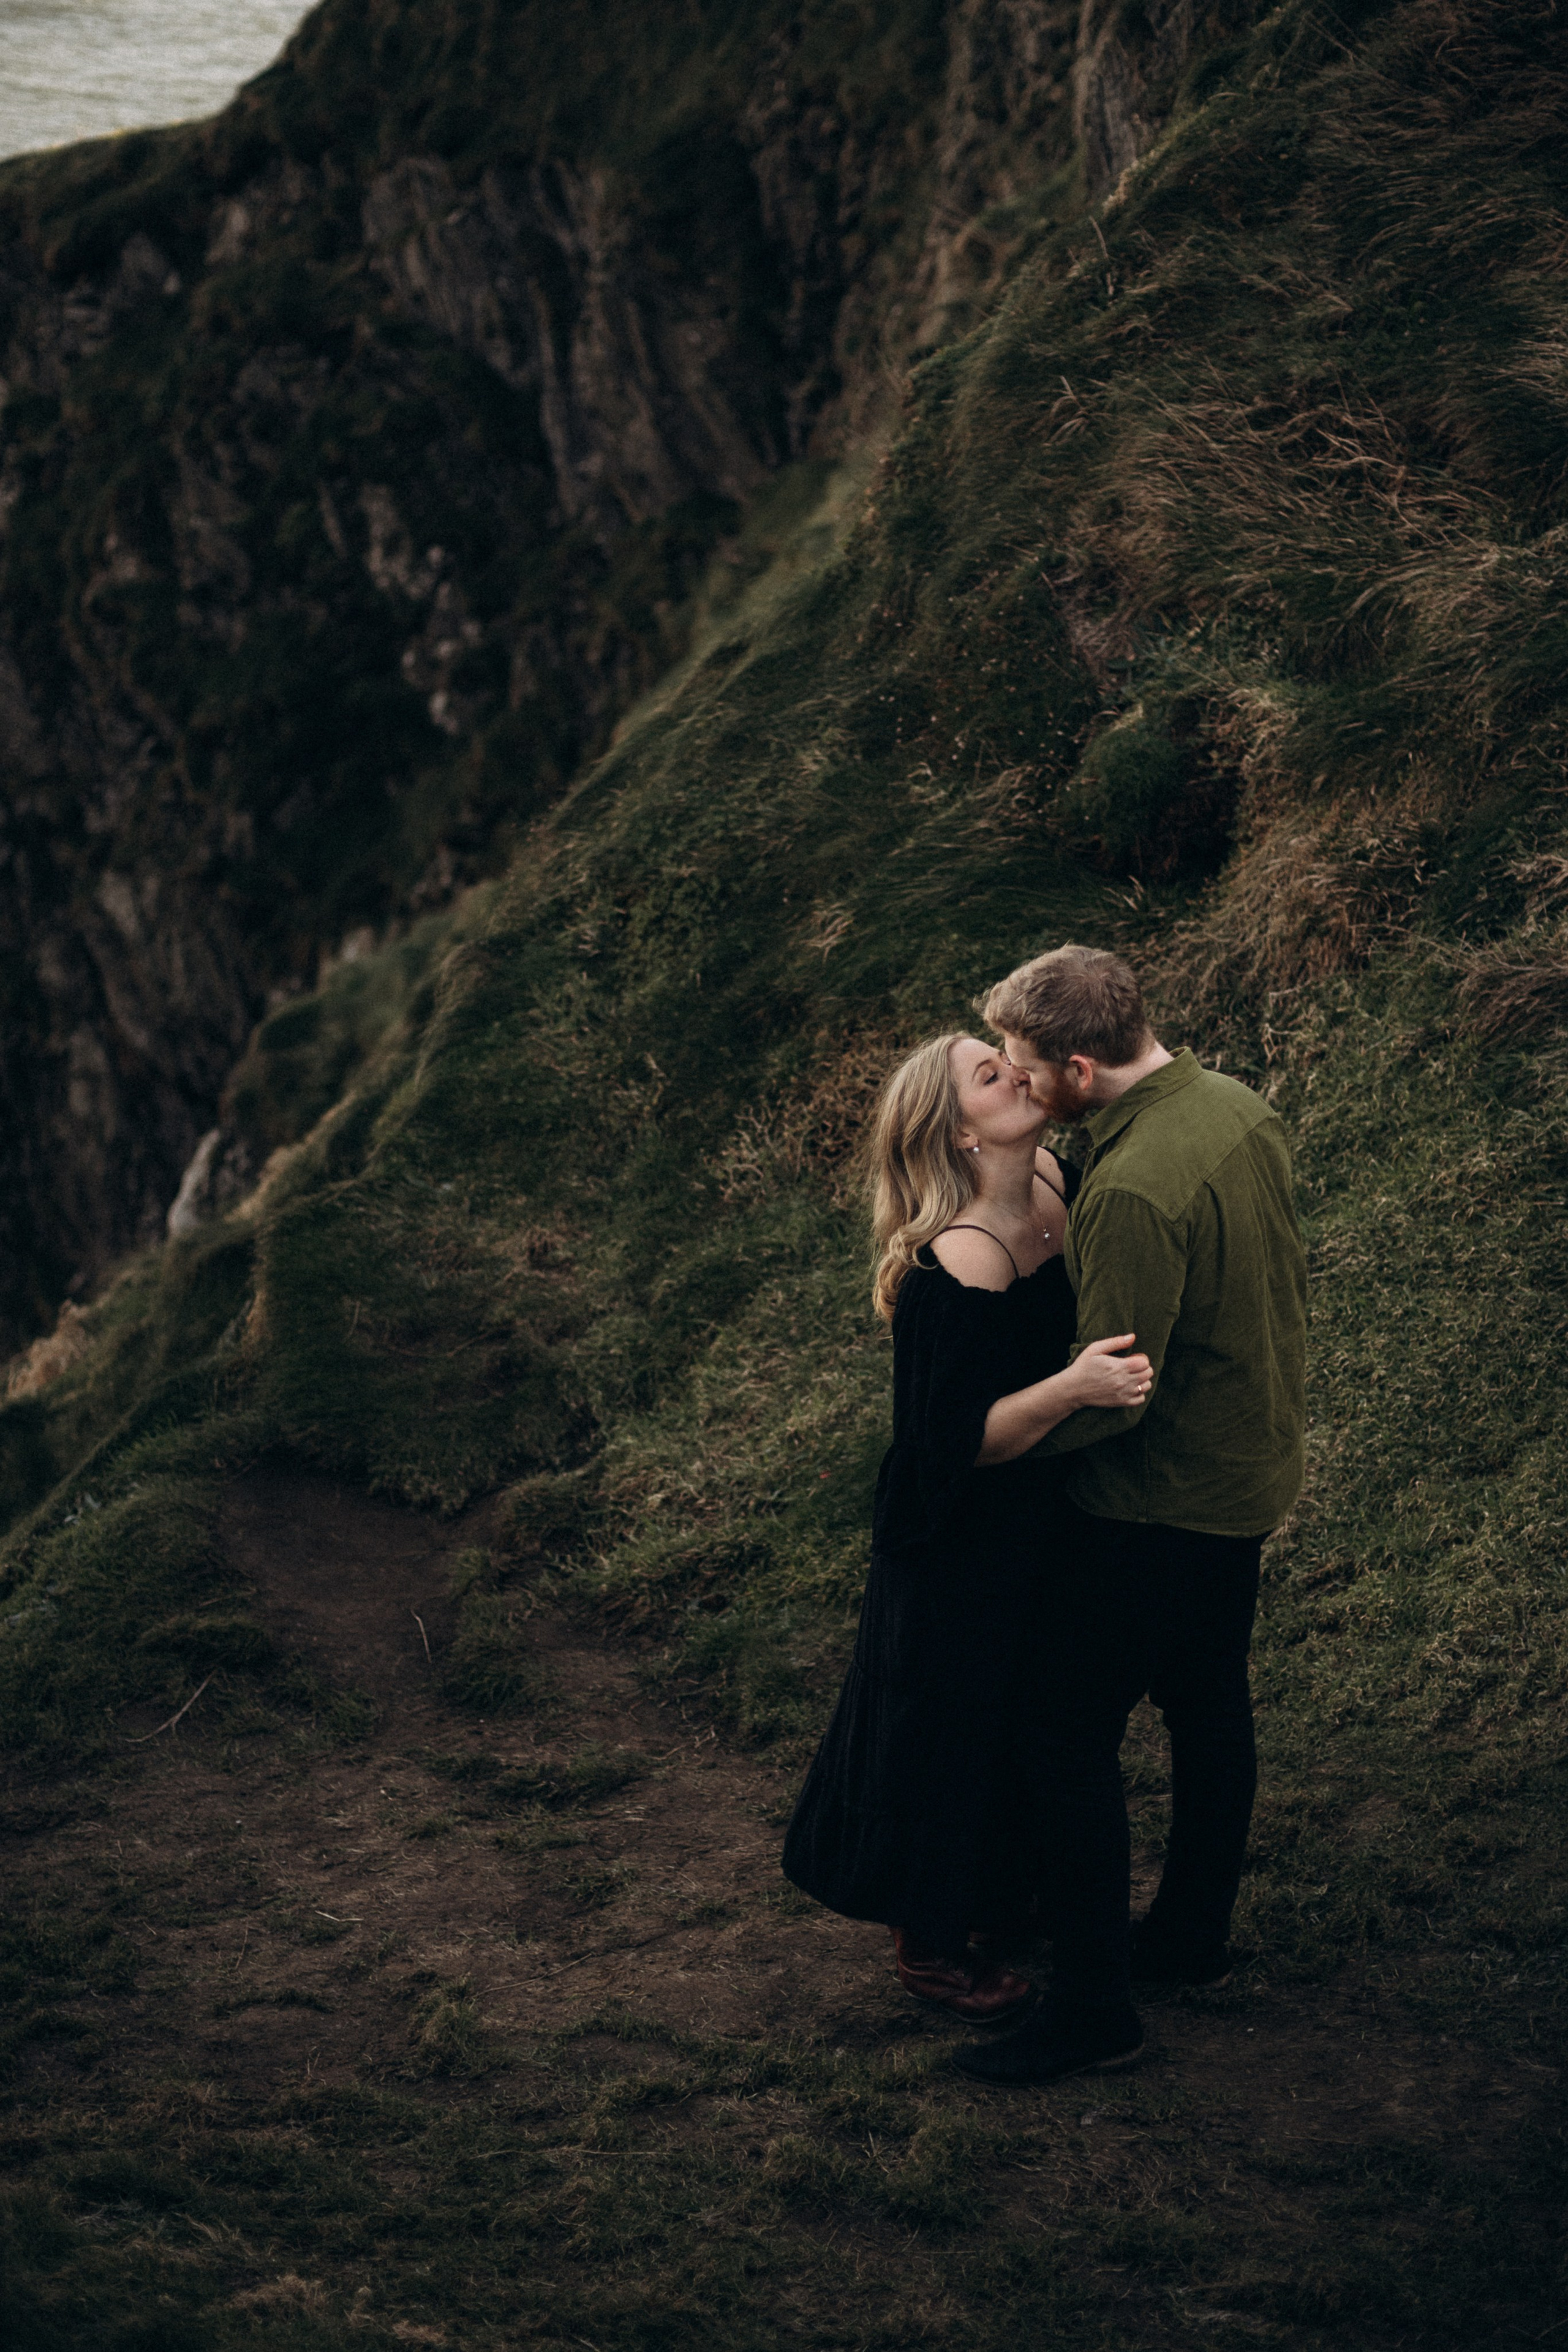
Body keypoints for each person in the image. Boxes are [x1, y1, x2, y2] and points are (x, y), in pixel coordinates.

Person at [949, 943, 1308, 2088]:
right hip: (1246, 1472)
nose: (1018, 1081)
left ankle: (1093, 2008)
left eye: (1025, 1065)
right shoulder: (1237, 1108)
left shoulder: (1138, 1186)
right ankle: (1192, 1936)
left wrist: (1002, 1448)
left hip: (1157, 1506)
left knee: (1062, 1736)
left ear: (1085, 1066)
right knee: (1208, 1705)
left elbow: (1117, 1387)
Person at [782, 1033, 1152, 2023]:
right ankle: (929, 1945)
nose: (1015, 1071)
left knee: (1023, 1714)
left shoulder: (1054, 1183)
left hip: (1034, 1519)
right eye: (988, 1076)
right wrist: (1075, 1388)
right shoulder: (959, 1264)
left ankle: (998, 1898)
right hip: (955, 1533)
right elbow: (956, 1445)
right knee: (947, 1731)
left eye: (1003, 1056)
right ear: (955, 1129)